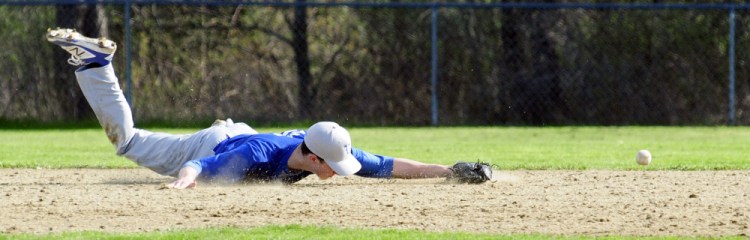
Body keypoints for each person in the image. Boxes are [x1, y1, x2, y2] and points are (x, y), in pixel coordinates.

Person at [46, 28, 492, 189]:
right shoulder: (260, 154)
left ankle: (95, 64)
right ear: (313, 157)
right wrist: (180, 185)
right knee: (128, 143)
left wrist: (454, 171)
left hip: (238, 134)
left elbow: (397, 167)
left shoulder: (326, 147)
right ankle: (96, 64)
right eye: (333, 165)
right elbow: (201, 165)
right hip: (219, 141)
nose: (340, 169)